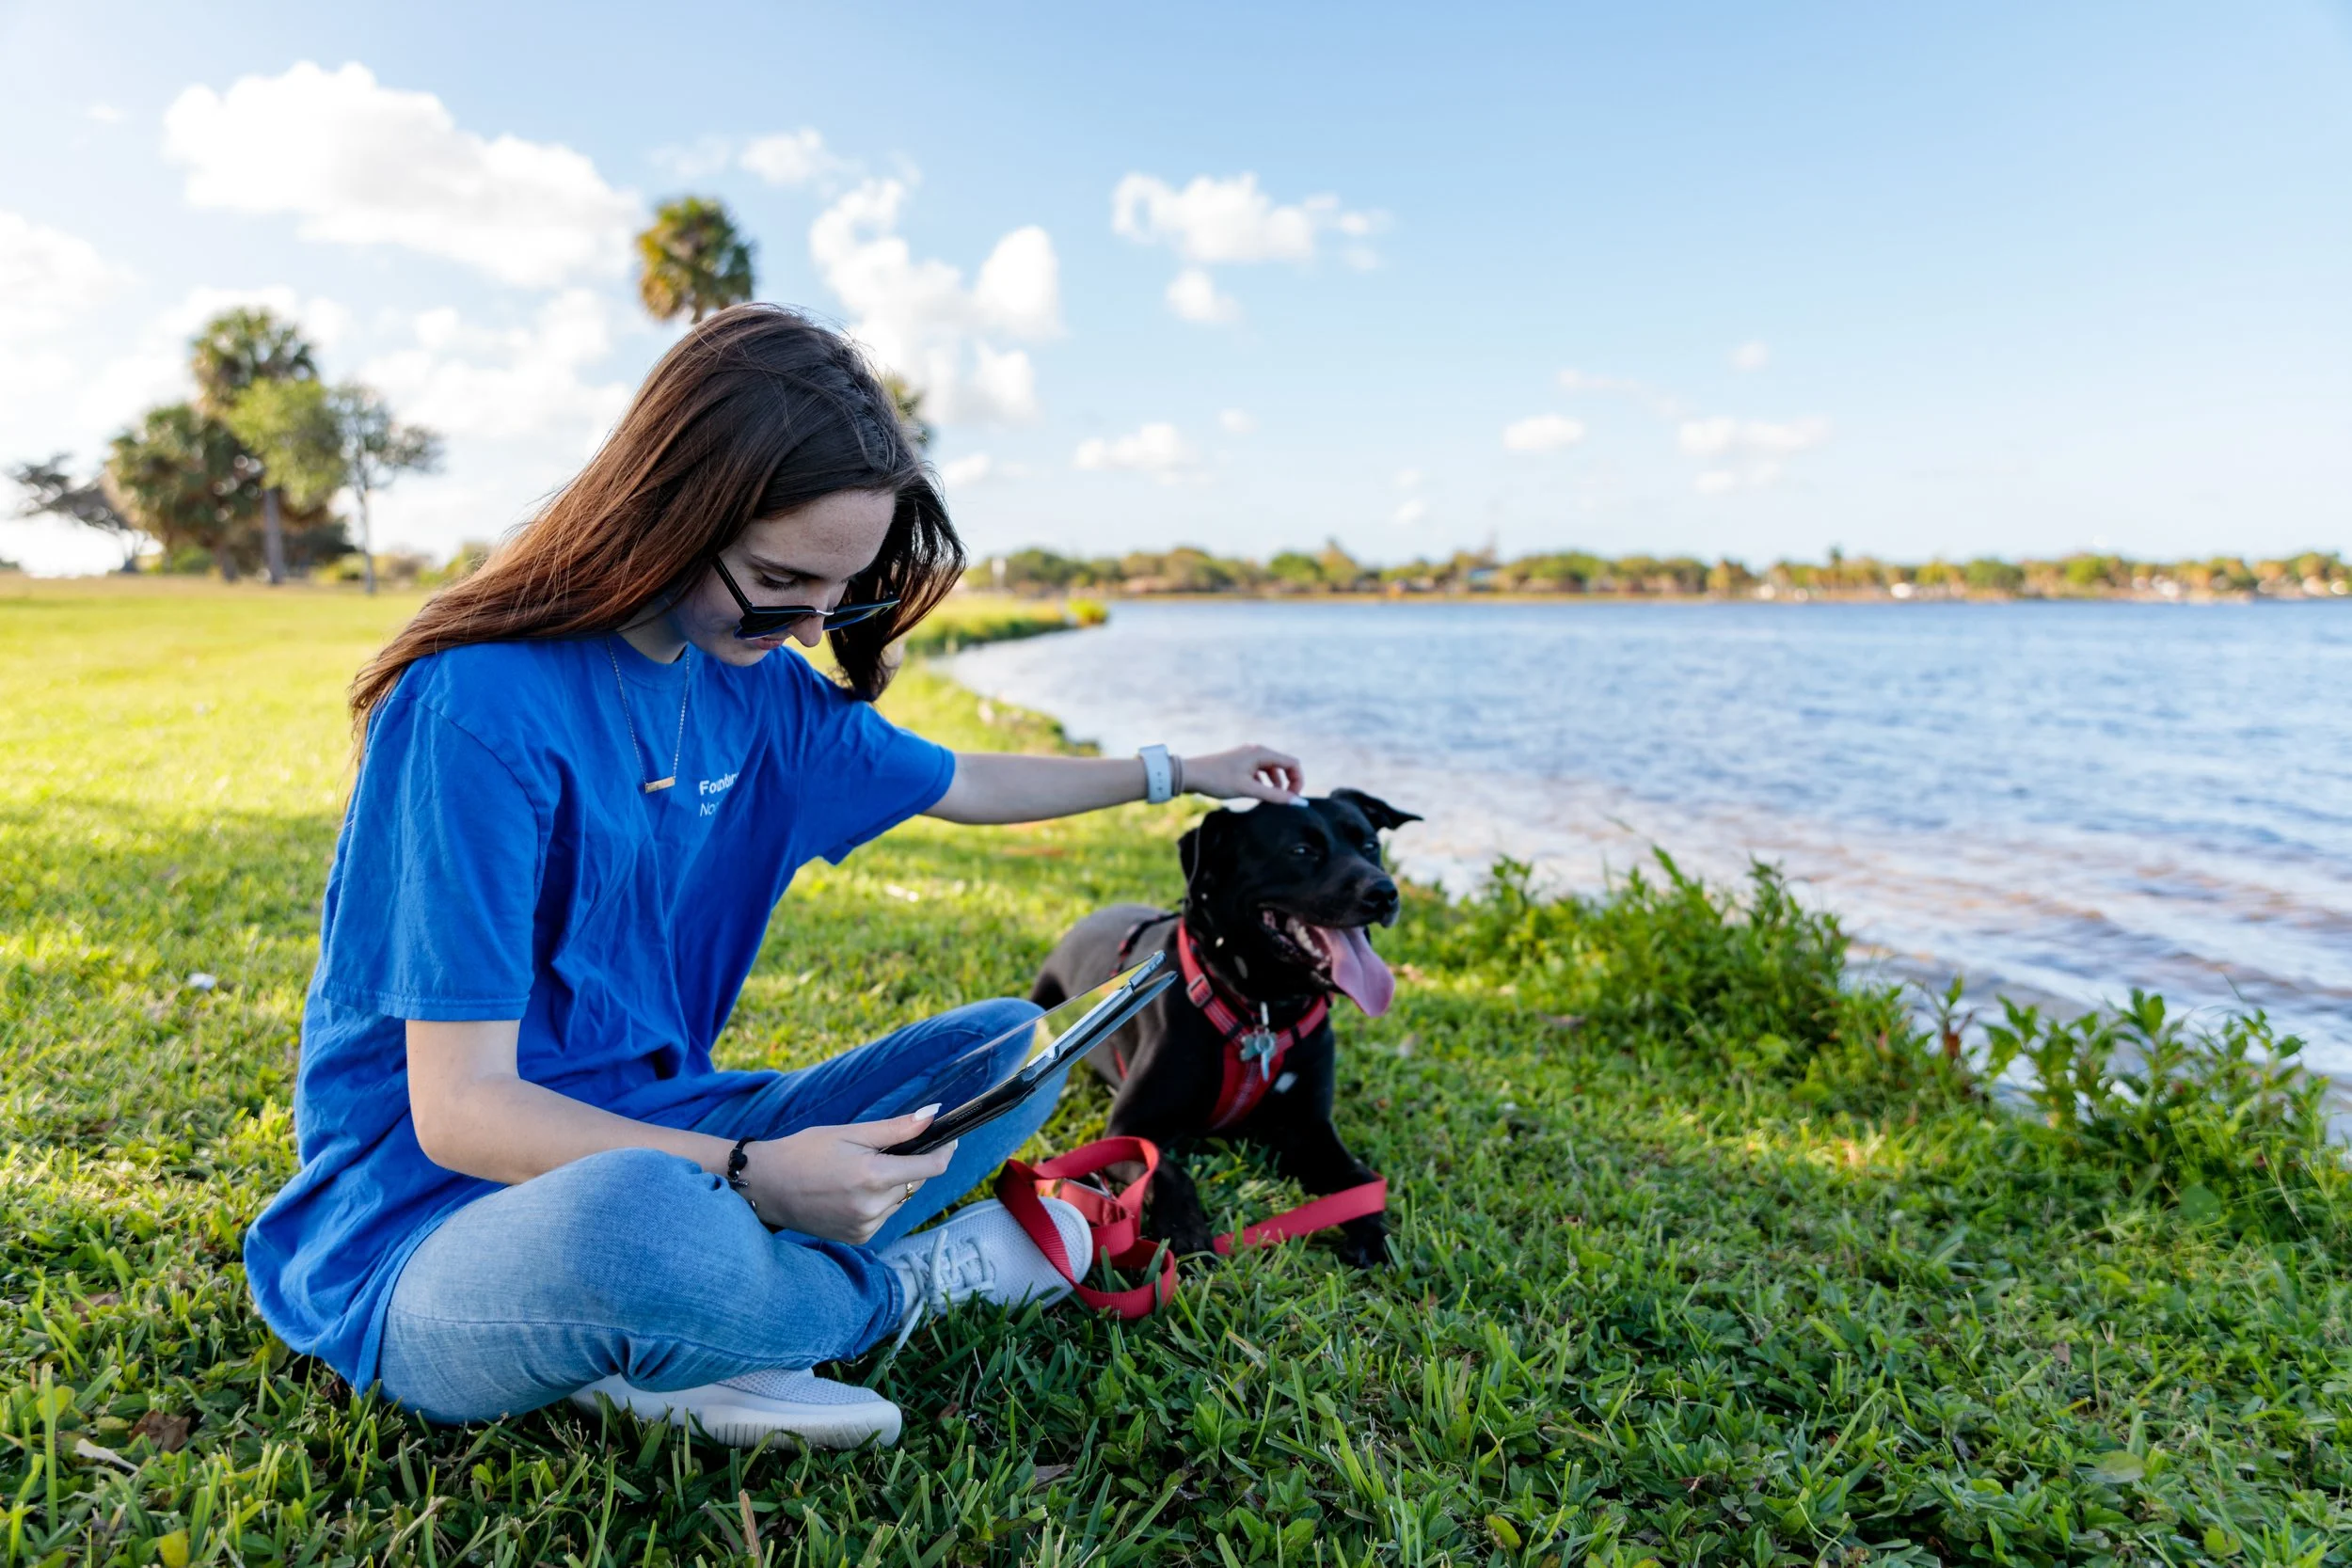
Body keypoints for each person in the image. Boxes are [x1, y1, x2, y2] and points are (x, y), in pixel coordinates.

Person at [243, 305, 1304, 1451]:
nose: (807, 629)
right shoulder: (476, 708)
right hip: (425, 1228)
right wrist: (752, 1175)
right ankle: (893, 1289)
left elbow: (962, 779)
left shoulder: (754, 685)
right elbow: (461, 1112)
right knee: (638, 1218)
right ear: (672, 509)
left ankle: (680, 1330)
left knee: (1003, 1052)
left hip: (663, 1134)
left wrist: (1176, 771)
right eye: (780, 580)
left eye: (837, 593)